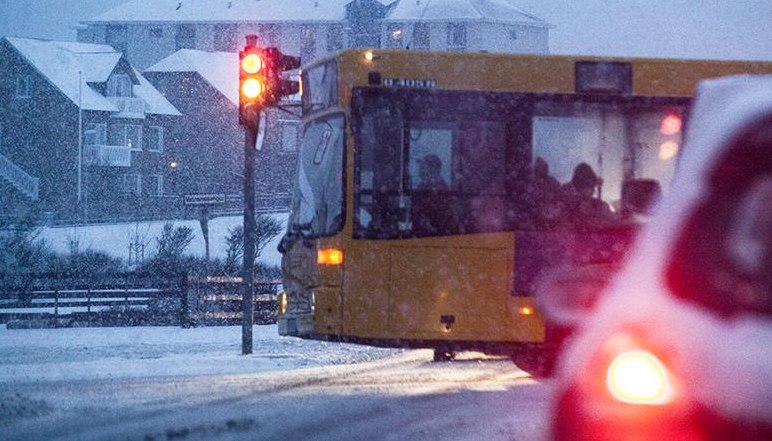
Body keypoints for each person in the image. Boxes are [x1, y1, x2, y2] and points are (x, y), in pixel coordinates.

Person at [560, 162, 614, 229]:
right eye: (587, 186)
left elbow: (612, 222)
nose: (592, 190)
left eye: (592, 186)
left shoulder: (600, 205)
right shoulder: (568, 204)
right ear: (578, 187)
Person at [412, 154, 453, 235]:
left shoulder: (441, 188)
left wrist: (429, 224)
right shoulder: (422, 185)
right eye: (421, 166)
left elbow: (442, 214)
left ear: (434, 169)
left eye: (423, 167)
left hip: (434, 235)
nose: (420, 170)